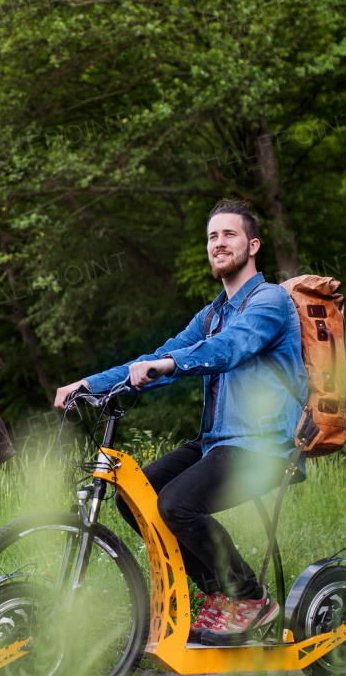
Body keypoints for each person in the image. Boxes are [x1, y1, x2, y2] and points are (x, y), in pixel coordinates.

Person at [53, 199, 308, 646]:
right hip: (218, 443)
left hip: (264, 448)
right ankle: (220, 597)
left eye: (229, 235)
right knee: (136, 499)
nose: (218, 243)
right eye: (212, 237)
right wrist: (88, 383)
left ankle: (248, 597)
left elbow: (231, 347)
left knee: (175, 503)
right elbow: (153, 359)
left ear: (253, 245)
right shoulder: (211, 314)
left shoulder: (270, 301)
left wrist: (171, 365)